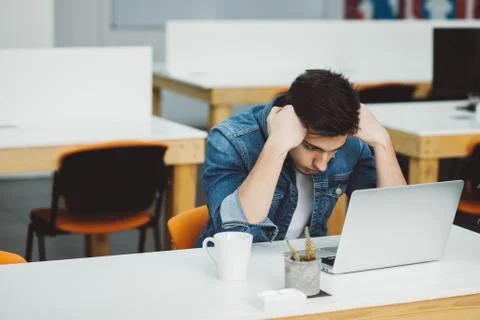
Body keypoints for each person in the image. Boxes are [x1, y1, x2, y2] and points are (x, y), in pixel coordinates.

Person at [196, 69, 406, 245]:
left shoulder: (351, 144)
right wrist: (277, 145)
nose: (322, 164)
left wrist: (383, 143)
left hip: (304, 267)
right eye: (310, 147)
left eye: (334, 152)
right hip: (231, 270)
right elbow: (236, 232)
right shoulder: (230, 140)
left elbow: (394, 222)